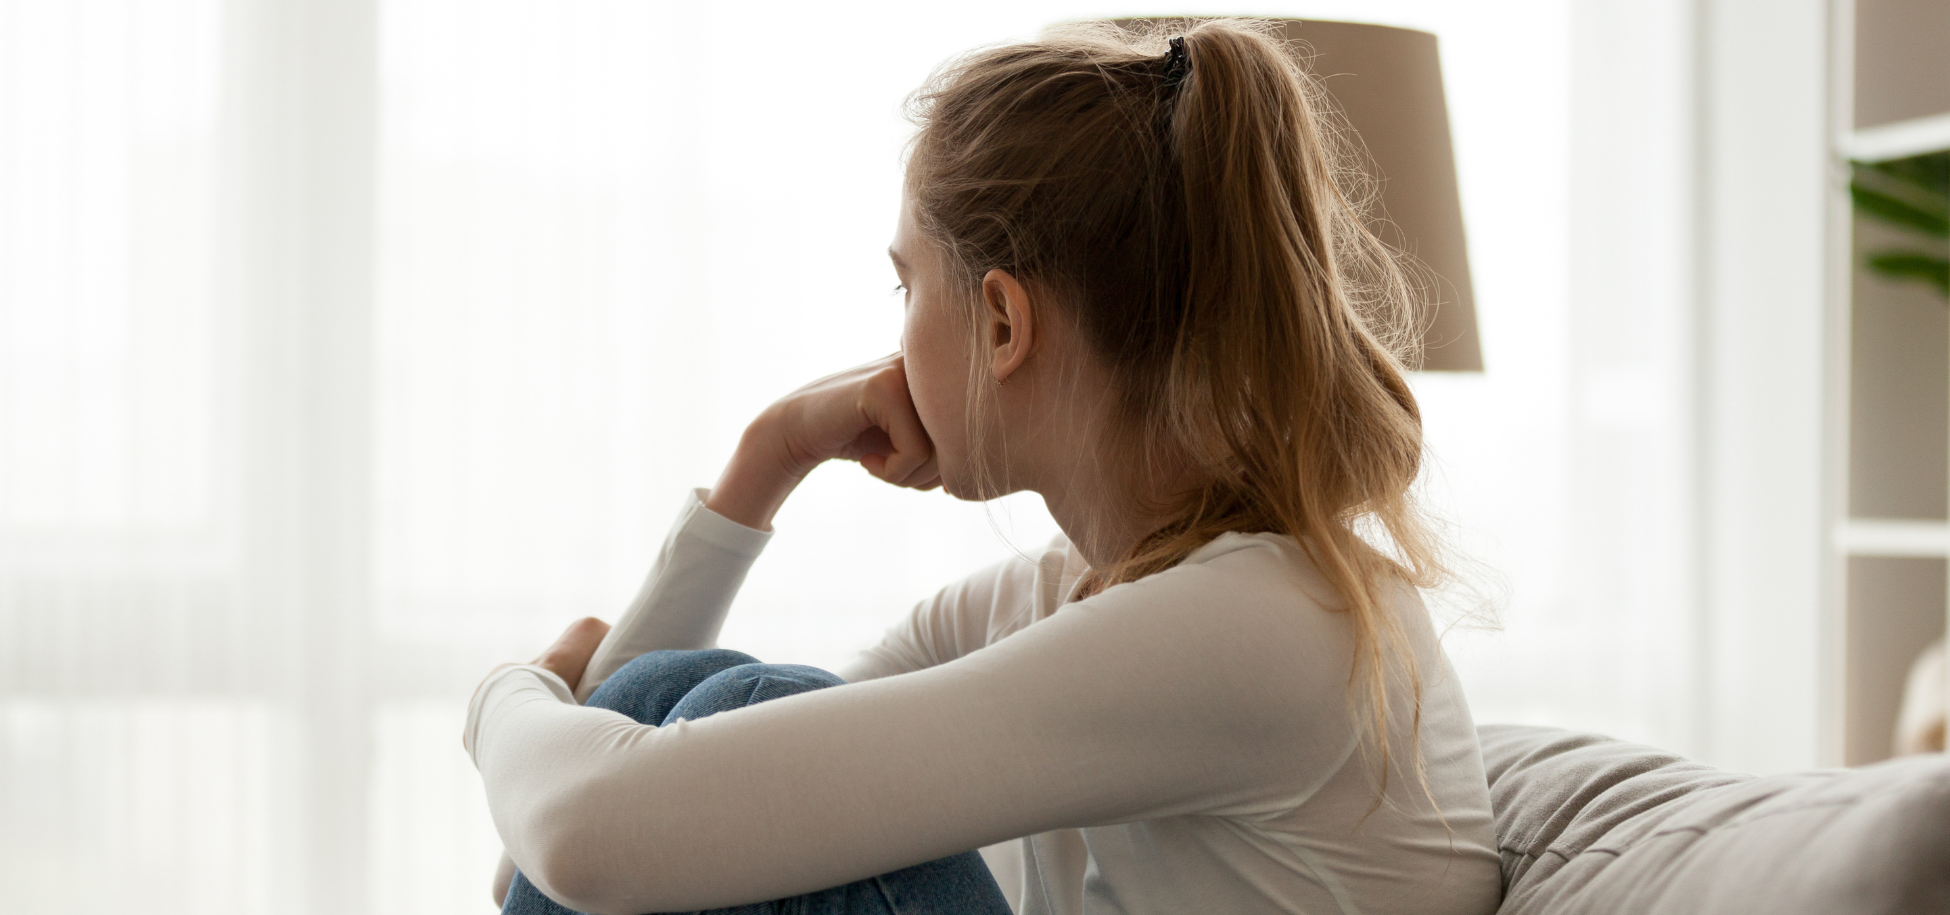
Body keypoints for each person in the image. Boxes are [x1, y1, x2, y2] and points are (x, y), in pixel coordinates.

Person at [465, 19, 1502, 915]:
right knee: (701, 699)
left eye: (905, 284)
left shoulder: (1261, 623)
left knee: (736, 704)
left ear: (1003, 320)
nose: (895, 336)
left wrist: (505, 698)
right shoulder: (1066, 595)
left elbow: (580, 831)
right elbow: (590, 837)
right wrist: (767, 458)